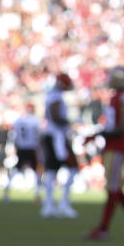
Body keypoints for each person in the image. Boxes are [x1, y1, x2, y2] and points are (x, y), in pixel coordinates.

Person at [84, 66, 124, 240]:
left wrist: (100, 133)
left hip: (117, 146)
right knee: (115, 190)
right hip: (112, 146)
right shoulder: (117, 96)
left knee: (113, 189)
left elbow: (122, 126)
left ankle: (103, 228)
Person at [40, 73, 80, 218]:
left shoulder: (53, 95)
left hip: (54, 136)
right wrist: (71, 123)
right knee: (71, 168)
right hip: (56, 137)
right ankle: (59, 203)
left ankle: (49, 204)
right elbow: (56, 117)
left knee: (52, 170)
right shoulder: (55, 96)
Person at [3, 102, 42, 204]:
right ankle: (37, 195)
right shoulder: (35, 121)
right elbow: (38, 135)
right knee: (36, 171)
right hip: (31, 147)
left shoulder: (18, 121)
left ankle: (6, 191)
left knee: (17, 169)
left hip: (21, 147)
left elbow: (13, 136)